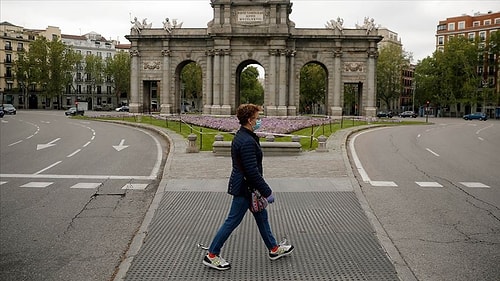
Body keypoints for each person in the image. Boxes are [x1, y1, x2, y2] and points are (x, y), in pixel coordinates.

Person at [202, 104, 294, 270]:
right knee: (232, 221)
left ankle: (273, 248)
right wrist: (267, 191)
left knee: (262, 218)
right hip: (246, 188)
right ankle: (212, 255)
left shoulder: (243, 136)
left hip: (248, 187)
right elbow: (251, 171)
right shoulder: (247, 141)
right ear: (250, 120)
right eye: (258, 118)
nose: (260, 121)